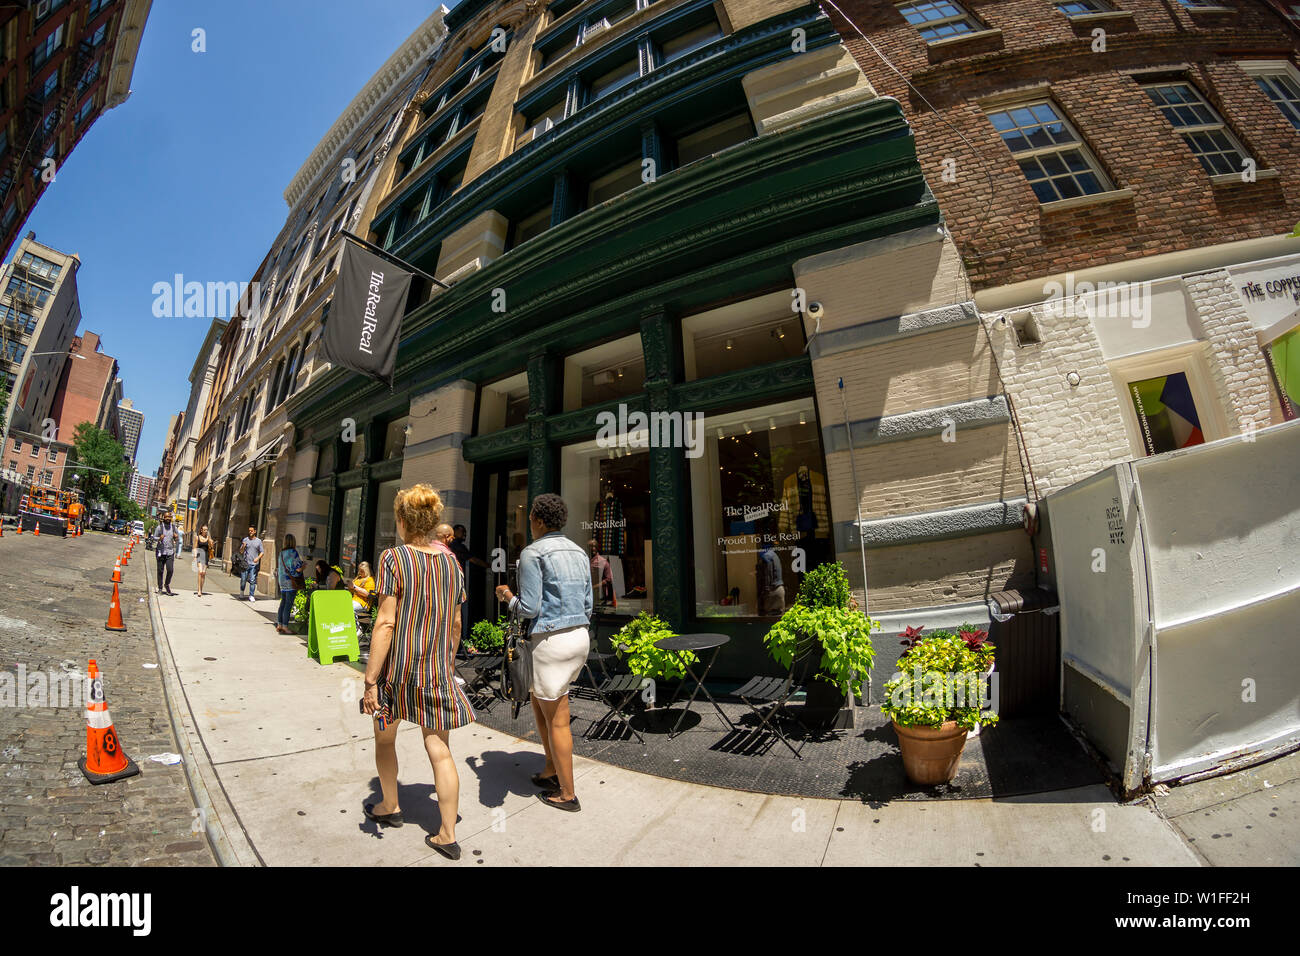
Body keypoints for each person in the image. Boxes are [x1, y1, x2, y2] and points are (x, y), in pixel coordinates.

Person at [362, 483, 472, 860]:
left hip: (395, 673)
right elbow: (456, 624)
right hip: (435, 672)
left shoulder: (393, 559)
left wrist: (370, 679)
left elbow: (386, 623)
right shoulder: (453, 565)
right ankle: (447, 833)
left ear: (403, 520)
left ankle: (389, 805)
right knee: (439, 749)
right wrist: (449, 660)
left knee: (384, 739)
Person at [495, 493, 592, 812]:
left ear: (536, 520)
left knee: (559, 719)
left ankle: (567, 793)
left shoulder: (532, 553)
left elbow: (529, 607)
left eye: (531, 520)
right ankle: (551, 768)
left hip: (551, 642)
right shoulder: (578, 551)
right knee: (539, 700)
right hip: (579, 636)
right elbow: (589, 603)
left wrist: (507, 596)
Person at [276, 534, 304, 634]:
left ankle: (279, 624)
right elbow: (297, 569)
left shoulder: (281, 553)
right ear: (293, 542)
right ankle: (285, 627)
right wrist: (304, 566)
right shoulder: (293, 552)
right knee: (288, 604)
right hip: (291, 582)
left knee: (283, 603)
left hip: (282, 581)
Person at [152, 513, 183, 596]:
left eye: (169, 517)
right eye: (166, 517)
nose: (168, 518)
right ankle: (160, 588)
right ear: (164, 518)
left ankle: (167, 584)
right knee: (160, 571)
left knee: (170, 570)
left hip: (170, 552)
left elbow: (178, 539)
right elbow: (154, 537)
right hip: (160, 552)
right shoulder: (159, 527)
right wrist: (159, 538)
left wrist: (176, 537)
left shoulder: (174, 528)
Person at [589, 538, 616, 608]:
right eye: (591, 546)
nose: (593, 548)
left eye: (594, 546)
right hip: (587, 595)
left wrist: (594, 586)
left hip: (599, 597)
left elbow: (609, 579)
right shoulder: (585, 560)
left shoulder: (603, 562)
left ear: (597, 548)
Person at [240, 527, 263, 602]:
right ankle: (242, 592)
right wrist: (243, 546)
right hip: (245, 563)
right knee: (243, 580)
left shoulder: (258, 541)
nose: (250, 532)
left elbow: (262, 552)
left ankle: (251, 595)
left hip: (254, 564)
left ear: (255, 531)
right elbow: (241, 551)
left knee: (252, 580)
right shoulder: (245, 540)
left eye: (252, 531)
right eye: (249, 531)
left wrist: (257, 558)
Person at [195, 525, 213, 597]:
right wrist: (195, 557)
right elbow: (195, 547)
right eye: (204, 530)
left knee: (204, 573)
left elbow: (211, 547)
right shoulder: (197, 537)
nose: (206, 531)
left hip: (206, 556)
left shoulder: (208, 538)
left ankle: (201, 589)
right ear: (201, 530)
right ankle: (199, 589)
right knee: (200, 572)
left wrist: (211, 542)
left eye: (207, 530)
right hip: (199, 555)